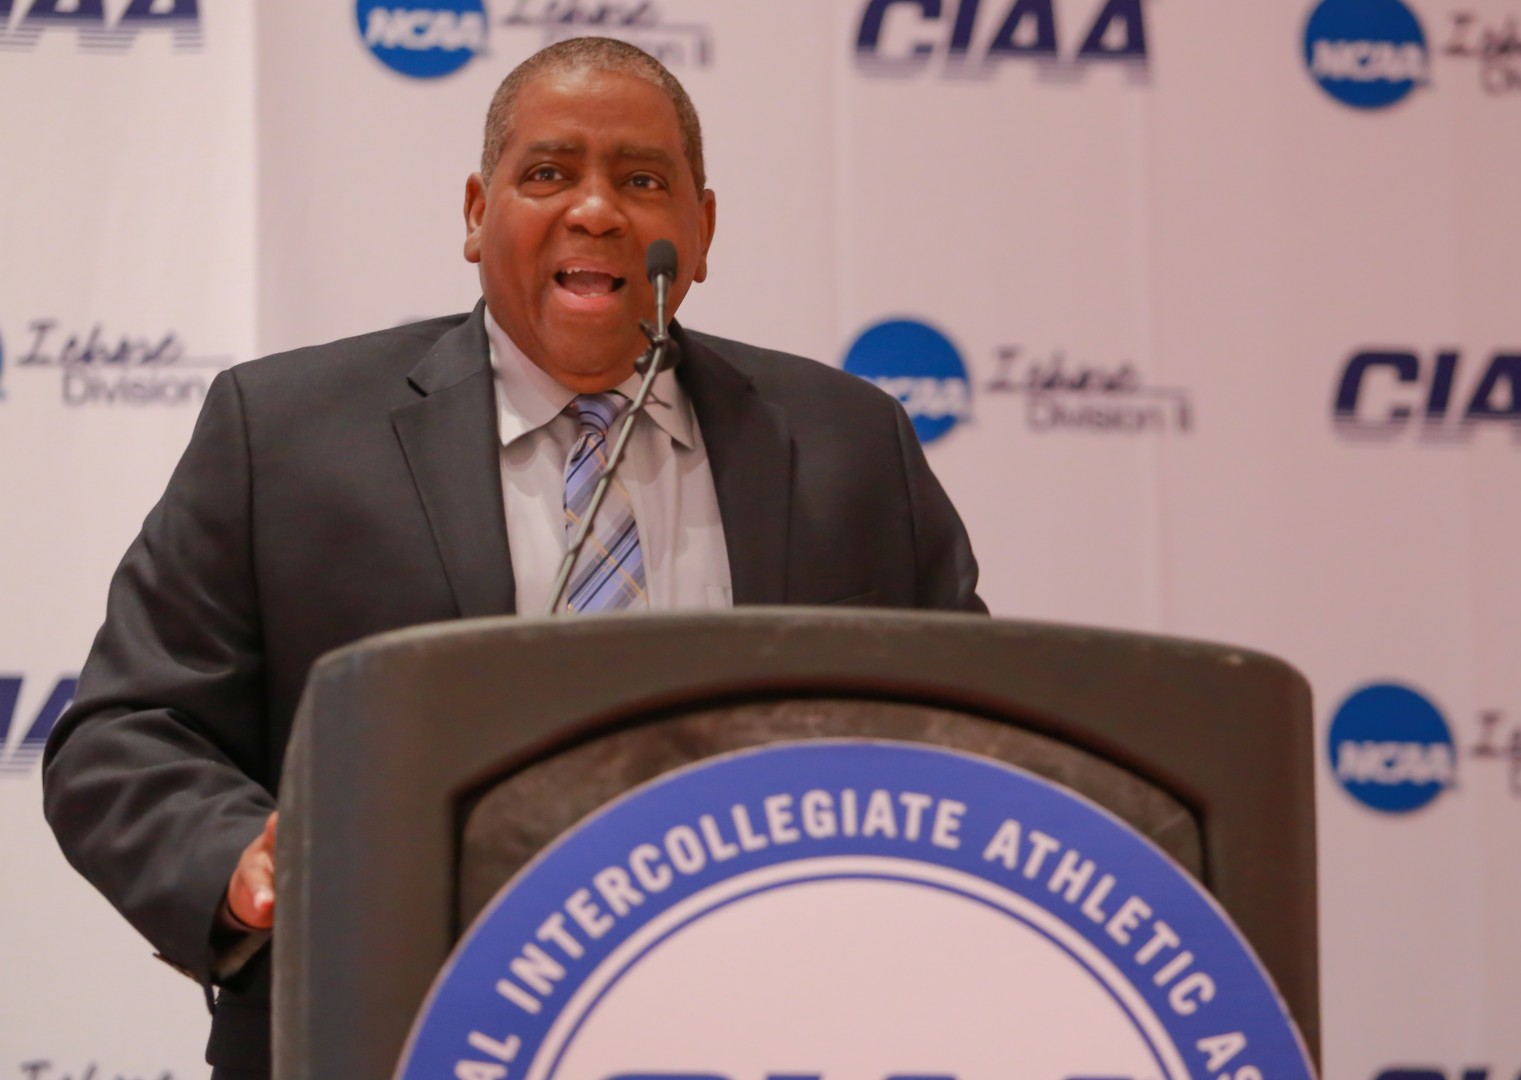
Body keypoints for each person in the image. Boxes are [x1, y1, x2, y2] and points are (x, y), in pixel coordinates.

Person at [41, 37, 984, 1079]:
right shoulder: (286, 434)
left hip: (768, 1034)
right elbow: (127, 732)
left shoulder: (848, 443)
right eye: (548, 174)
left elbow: (978, 733)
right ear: (474, 212)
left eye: (642, 179)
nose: (596, 210)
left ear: (702, 230)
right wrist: (248, 861)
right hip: (391, 1032)